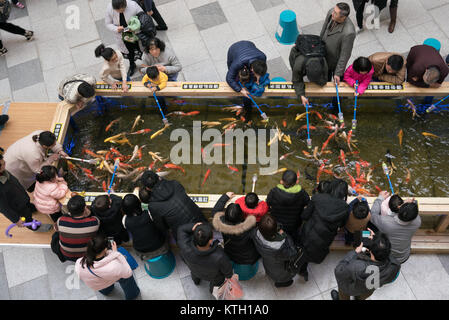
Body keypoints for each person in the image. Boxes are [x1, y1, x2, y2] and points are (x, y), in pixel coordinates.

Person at [297, 179, 350, 281]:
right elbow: (342, 224)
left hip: (309, 233)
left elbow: (305, 216)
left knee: (304, 251)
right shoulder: (345, 207)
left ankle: (302, 269)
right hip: (326, 236)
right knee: (318, 250)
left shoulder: (318, 198)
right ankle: (314, 260)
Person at [331, 231, 401, 300]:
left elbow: (338, 271)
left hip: (350, 289)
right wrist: (377, 241)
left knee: (344, 295)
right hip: (368, 289)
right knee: (361, 297)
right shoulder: (395, 266)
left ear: (371, 252)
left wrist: (354, 252)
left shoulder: (357, 266)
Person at [140, 170, 206, 242]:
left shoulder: (153, 206)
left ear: (147, 188)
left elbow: (162, 227)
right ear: (159, 178)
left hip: (186, 238)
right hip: (204, 224)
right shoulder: (175, 184)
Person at [0, 147, 51, 232]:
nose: (5, 164)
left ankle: (31, 208)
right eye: (2, 165)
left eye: (3, 161)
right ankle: (35, 227)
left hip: (21, 196)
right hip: (17, 206)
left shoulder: (3, 171)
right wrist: (16, 219)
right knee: (26, 217)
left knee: (28, 204)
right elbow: (3, 208)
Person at [75, 234, 140, 300]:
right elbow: (128, 273)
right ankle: (133, 294)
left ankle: (107, 291)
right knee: (126, 279)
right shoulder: (113, 267)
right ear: (105, 249)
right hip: (109, 276)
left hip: (97, 285)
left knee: (103, 282)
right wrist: (115, 253)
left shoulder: (79, 262)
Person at [178, 222, 233, 293]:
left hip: (195, 270)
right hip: (213, 277)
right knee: (217, 281)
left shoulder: (184, 246)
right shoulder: (220, 256)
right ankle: (212, 290)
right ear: (210, 241)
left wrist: (194, 226)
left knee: (195, 274)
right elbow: (228, 273)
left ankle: (196, 281)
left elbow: (181, 229)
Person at [370, 191, 421, 264]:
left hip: (387, 256)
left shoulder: (385, 222)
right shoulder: (417, 221)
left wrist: (380, 198)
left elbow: (373, 215)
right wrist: (407, 206)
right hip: (404, 256)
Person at [211, 192, 260, 267]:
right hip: (248, 257)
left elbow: (215, 213)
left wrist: (225, 197)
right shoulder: (250, 228)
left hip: (230, 253)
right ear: (242, 216)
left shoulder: (221, 224)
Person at [252, 214, 298, 287]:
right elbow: (293, 254)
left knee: (271, 270)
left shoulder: (255, 233)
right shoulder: (279, 247)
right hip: (280, 270)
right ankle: (281, 283)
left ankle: (273, 277)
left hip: (268, 263)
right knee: (282, 277)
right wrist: (288, 238)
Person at [226, 41, 267, 120]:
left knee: (250, 80)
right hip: (233, 50)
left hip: (249, 45)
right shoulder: (238, 63)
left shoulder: (263, 57)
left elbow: (261, 71)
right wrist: (240, 90)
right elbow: (229, 78)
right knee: (234, 76)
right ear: (251, 69)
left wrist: (258, 79)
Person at [266, 169, 310, 244]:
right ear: (297, 182)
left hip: (277, 222)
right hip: (294, 223)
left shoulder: (274, 191)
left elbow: (268, 202)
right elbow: (308, 203)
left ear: (281, 181)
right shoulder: (302, 193)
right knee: (294, 237)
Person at [52, 195, 100, 262]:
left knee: (56, 234)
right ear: (85, 208)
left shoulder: (61, 220)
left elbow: (55, 229)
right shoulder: (94, 221)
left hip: (67, 255)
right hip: (87, 256)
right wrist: (89, 213)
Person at [122, 193, 169, 260]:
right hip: (159, 247)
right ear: (139, 203)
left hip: (141, 251)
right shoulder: (149, 213)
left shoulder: (124, 220)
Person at [105, 0, 144, 78]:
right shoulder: (109, 8)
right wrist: (116, 28)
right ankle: (132, 65)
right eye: (117, 10)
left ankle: (146, 62)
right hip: (123, 37)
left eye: (121, 10)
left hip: (136, 34)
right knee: (129, 52)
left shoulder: (133, 5)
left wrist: (135, 27)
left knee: (141, 49)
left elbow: (143, 18)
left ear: (125, 5)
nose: (119, 11)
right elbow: (108, 24)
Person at [320, 2, 356, 85]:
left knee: (338, 80)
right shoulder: (331, 12)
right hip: (324, 54)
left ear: (343, 17)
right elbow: (324, 28)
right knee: (325, 76)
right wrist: (319, 42)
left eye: (335, 13)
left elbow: (345, 54)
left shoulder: (349, 32)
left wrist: (338, 73)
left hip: (334, 60)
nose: (332, 13)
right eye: (334, 10)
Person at [289, 34, 328, 106]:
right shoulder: (298, 64)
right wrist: (301, 95)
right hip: (299, 57)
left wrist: (322, 83)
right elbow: (296, 80)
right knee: (296, 73)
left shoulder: (323, 60)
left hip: (313, 53)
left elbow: (325, 76)